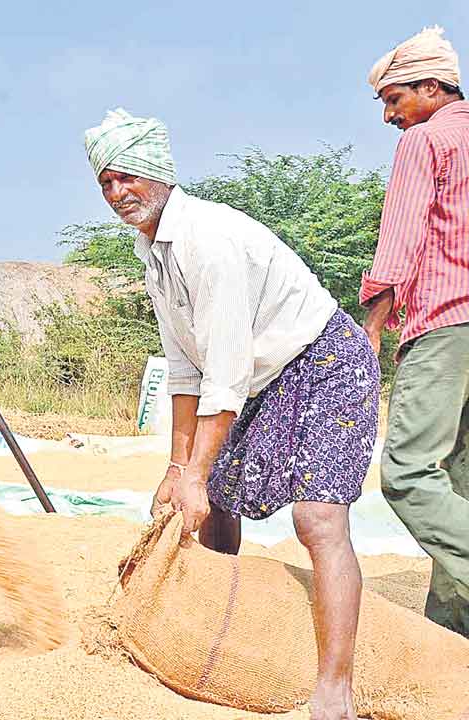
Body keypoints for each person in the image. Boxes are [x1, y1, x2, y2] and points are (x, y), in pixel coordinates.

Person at [85, 109, 379, 720]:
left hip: (324, 362)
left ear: (158, 174)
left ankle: (334, 686)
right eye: (105, 183)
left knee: (319, 520)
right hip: (259, 377)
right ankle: (221, 630)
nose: (117, 194)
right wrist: (176, 466)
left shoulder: (207, 241)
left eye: (126, 178)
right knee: (211, 498)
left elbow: (226, 371)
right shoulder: (154, 252)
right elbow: (185, 369)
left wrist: (194, 472)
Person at [362, 26, 469, 638]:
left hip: (446, 324)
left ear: (433, 88)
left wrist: (372, 325)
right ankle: (451, 633)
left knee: (407, 472)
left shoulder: (426, 141)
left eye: (394, 98)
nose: (388, 115)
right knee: (456, 478)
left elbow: (400, 237)